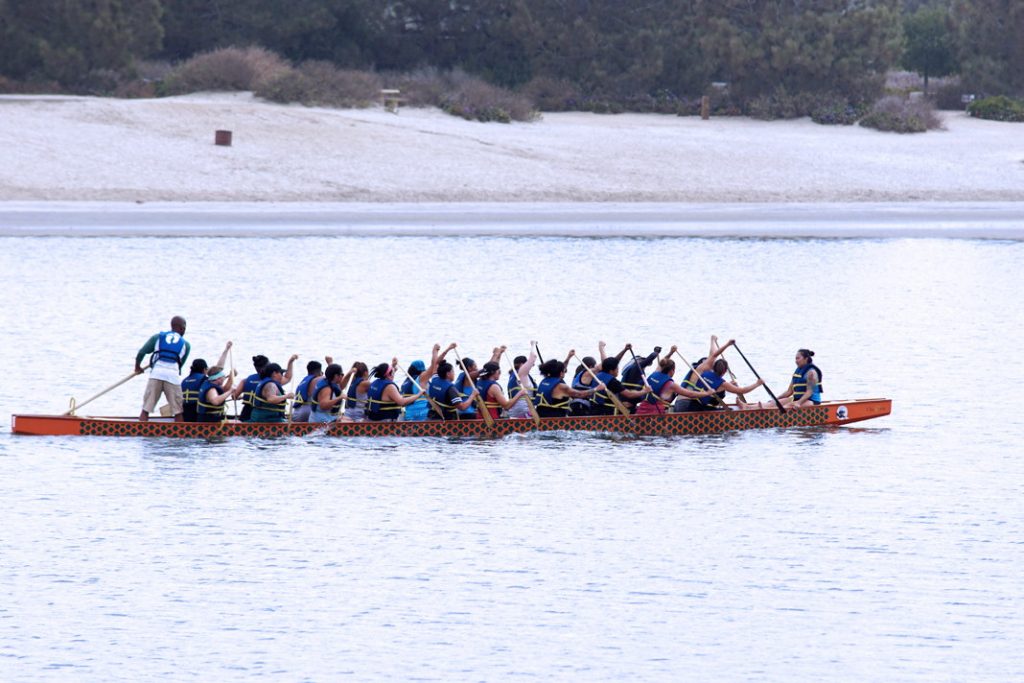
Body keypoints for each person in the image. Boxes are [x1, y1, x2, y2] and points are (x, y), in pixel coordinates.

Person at [135, 316, 191, 422]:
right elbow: (180, 365)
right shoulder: (186, 345)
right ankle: (180, 435)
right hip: (173, 376)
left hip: (156, 374)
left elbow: (142, 352)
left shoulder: (158, 337)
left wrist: (137, 367)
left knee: (146, 409)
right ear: (181, 328)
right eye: (184, 328)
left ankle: (141, 430)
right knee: (178, 411)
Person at [635, 357, 714, 415]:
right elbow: (690, 394)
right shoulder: (671, 385)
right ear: (672, 370)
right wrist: (707, 393)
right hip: (656, 413)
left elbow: (661, 364)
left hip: (642, 409)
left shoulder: (654, 374)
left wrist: (671, 352)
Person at [235, 353, 298, 421]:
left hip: (248, 413)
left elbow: (234, 396)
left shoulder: (246, 380)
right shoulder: (271, 383)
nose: (282, 376)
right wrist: (290, 362)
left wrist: (242, 396)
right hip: (266, 417)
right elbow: (288, 378)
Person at [180, 341, 232, 422]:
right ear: (204, 369)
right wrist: (226, 350)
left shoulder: (184, 381)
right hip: (198, 414)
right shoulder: (204, 380)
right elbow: (219, 368)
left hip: (185, 413)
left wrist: (226, 350)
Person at [533, 359, 603, 417]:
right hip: (555, 417)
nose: (565, 372)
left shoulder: (544, 381)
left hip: (540, 414)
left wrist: (569, 357)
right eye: (564, 371)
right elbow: (580, 395)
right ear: (561, 373)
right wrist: (597, 388)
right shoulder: (562, 386)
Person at [506, 349, 538, 419]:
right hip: (524, 410)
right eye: (527, 363)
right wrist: (533, 345)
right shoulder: (522, 375)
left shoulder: (513, 375)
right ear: (522, 364)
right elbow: (533, 357)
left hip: (513, 410)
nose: (532, 365)